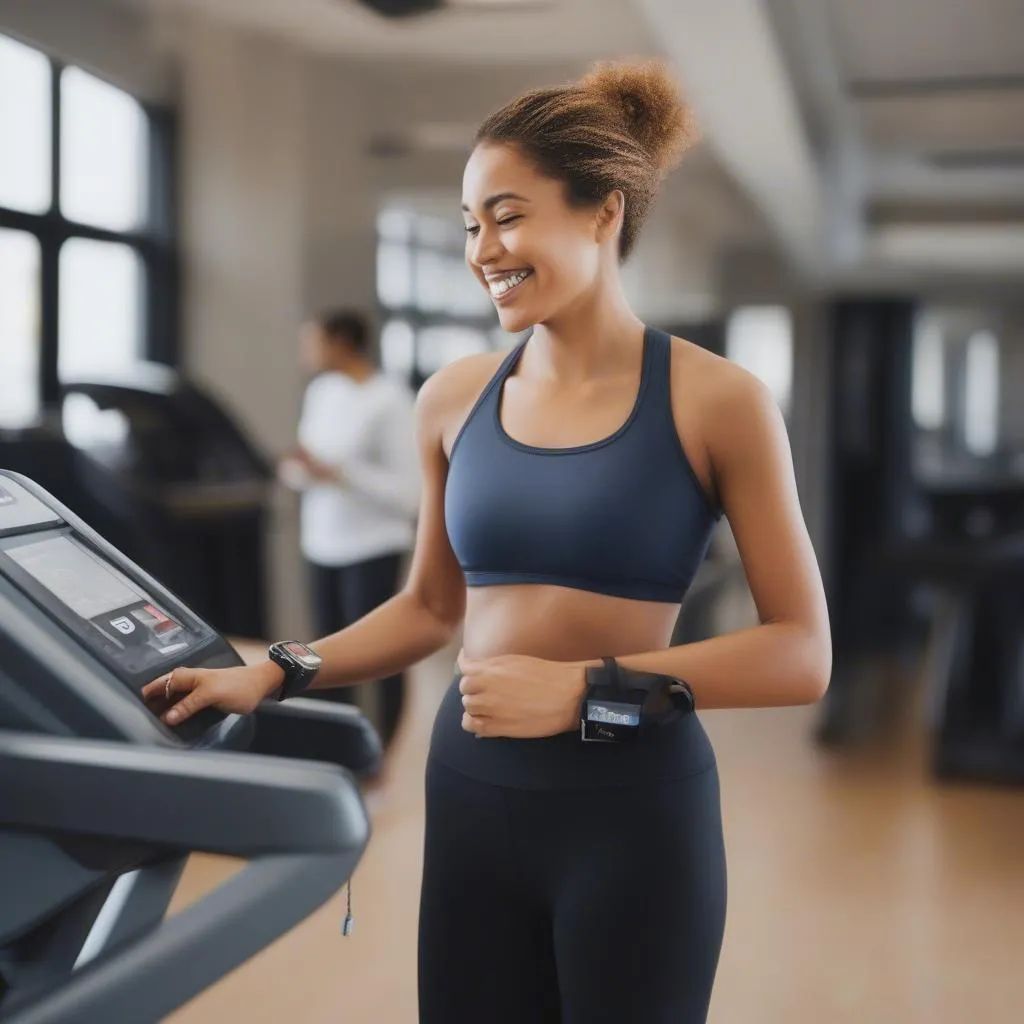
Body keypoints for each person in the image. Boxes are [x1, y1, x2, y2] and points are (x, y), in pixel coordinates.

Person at [145, 59, 832, 1024]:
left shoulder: (717, 400)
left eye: (508, 216)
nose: (482, 249)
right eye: (471, 223)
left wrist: (591, 685)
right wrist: (277, 670)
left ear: (603, 212)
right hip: (470, 800)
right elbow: (430, 607)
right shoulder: (454, 399)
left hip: (633, 818)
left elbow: (801, 653)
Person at [278, 309, 419, 747]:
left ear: (340, 341)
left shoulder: (390, 399)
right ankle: (340, 746)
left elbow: (410, 492)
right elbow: (306, 467)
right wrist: (302, 470)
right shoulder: (322, 391)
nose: (305, 353)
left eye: (312, 341)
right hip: (322, 543)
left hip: (373, 546)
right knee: (326, 657)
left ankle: (385, 752)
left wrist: (341, 473)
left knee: (380, 656)